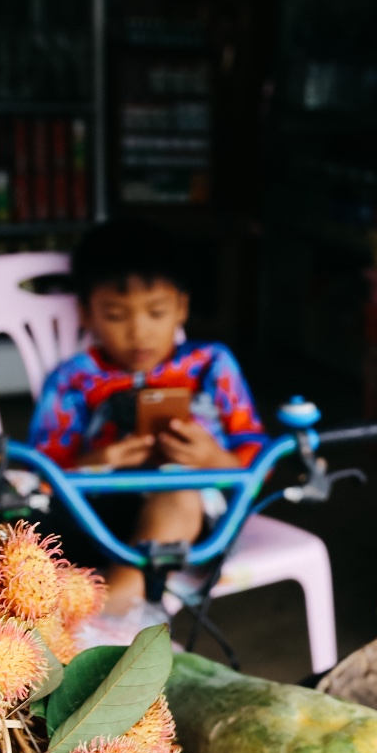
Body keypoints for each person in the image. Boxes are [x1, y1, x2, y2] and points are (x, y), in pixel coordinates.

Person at [28, 220, 265, 613]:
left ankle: (114, 597)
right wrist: (98, 462)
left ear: (182, 308)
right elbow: (41, 473)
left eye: (156, 312)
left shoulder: (211, 365)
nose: (139, 332)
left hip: (195, 518)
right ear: (86, 314)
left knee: (178, 495)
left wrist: (214, 461)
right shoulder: (74, 379)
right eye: (116, 315)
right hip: (99, 517)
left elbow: (258, 459)